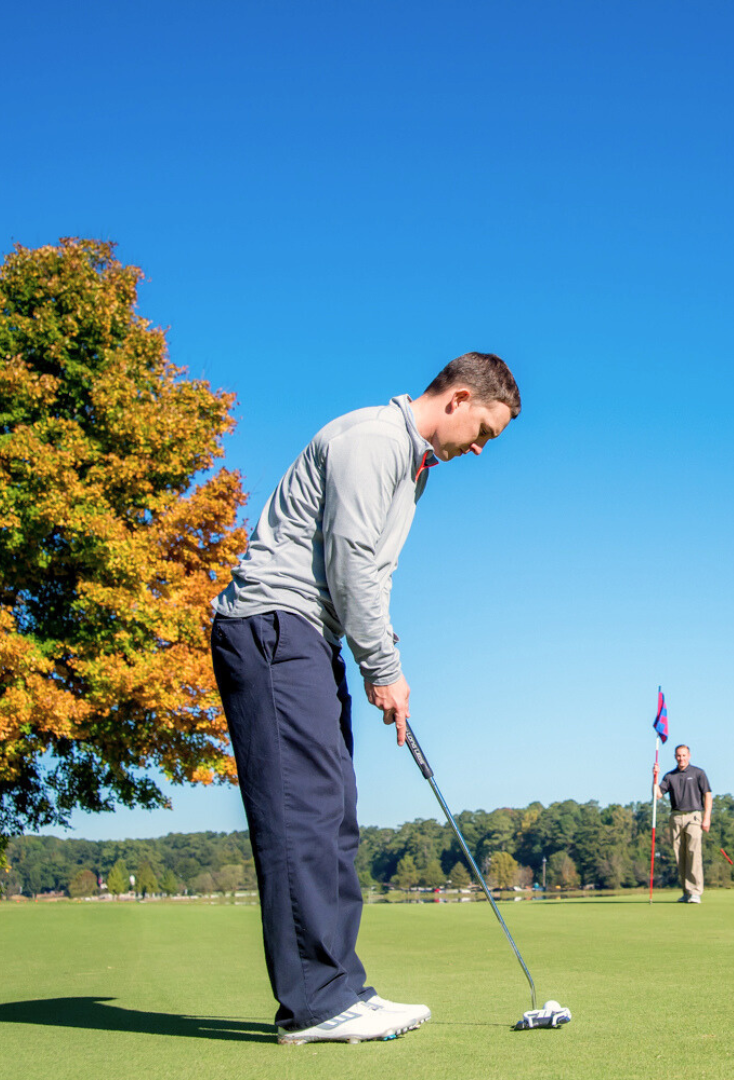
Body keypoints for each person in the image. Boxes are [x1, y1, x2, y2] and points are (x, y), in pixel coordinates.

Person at [210, 352, 520, 1044]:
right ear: (460, 397)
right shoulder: (373, 441)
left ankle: (341, 987)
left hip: (309, 636)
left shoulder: (413, 471)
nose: (479, 448)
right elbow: (348, 559)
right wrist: (382, 667)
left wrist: (384, 657)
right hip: (271, 625)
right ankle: (314, 1005)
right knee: (302, 814)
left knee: (334, 811)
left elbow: (372, 578)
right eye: (484, 432)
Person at [653, 744, 713, 903]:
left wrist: (706, 818)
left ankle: (695, 892)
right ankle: (686, 891)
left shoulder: (698, 773)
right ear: (675, 757)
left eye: (684, 755)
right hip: (676, 817)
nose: (681, 758)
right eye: (679, 756)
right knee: (679, 855)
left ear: (689, 755)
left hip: (694, 816)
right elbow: (657, 795)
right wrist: (655, 776)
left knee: (693, 853)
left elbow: (707, 795)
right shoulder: (669, 776)